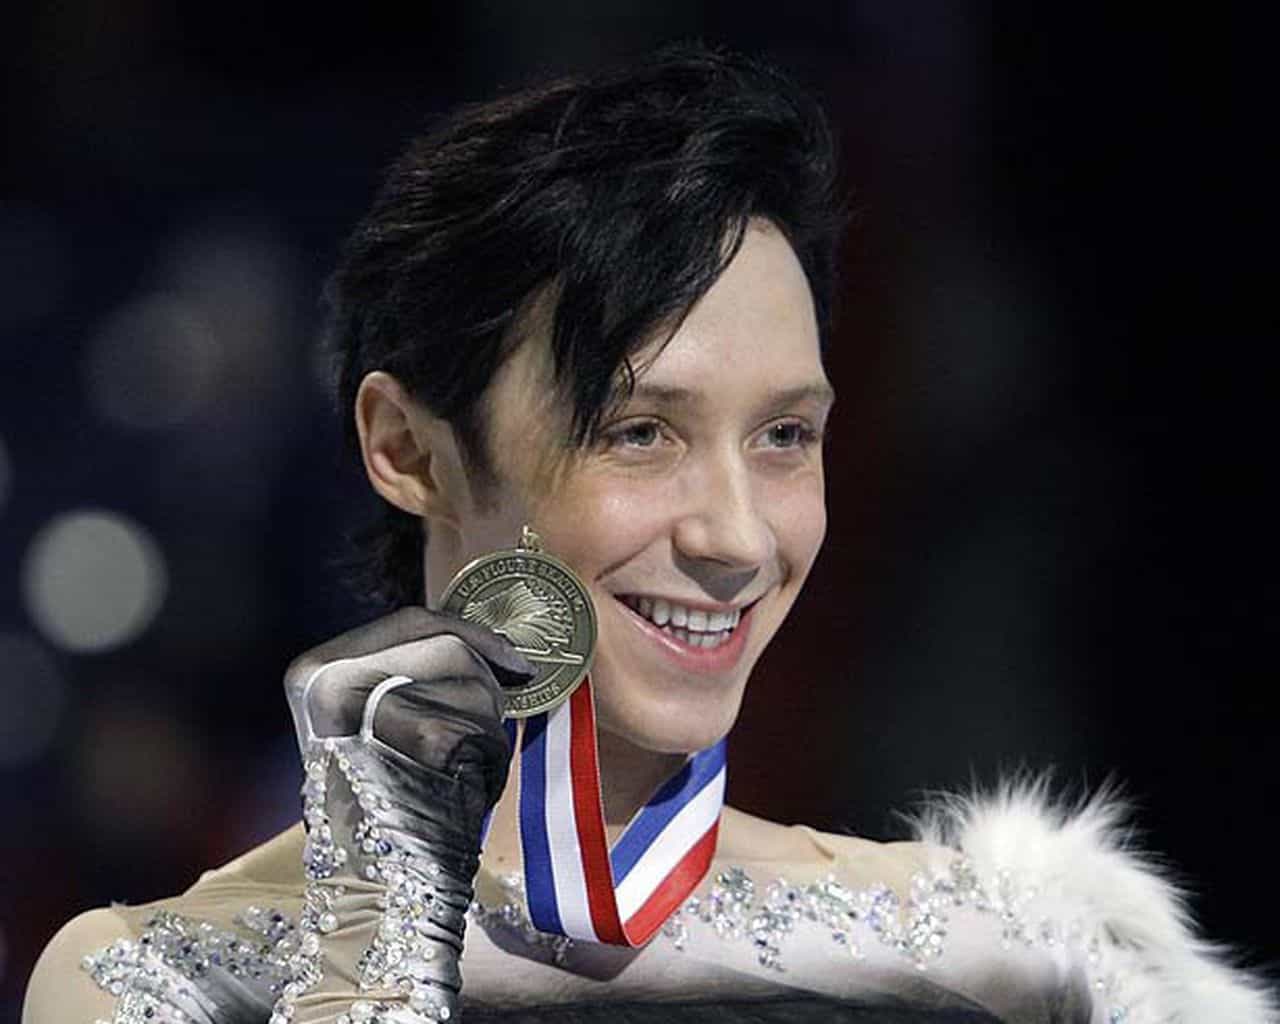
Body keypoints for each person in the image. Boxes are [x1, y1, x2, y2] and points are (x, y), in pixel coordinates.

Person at [22, 43, 1274, 1024]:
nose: (736, 535)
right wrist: (380, 950)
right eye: (639, 433)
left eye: (784, 435)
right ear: (407, 449)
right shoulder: (165, 977)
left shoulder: (1001, 954)